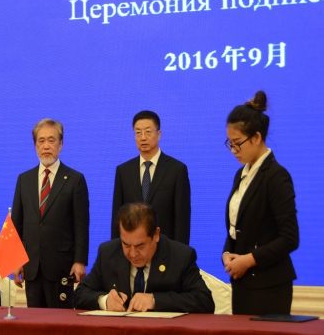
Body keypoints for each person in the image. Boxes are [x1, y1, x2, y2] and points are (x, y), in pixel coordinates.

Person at [222, 91, 299, 315]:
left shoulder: (276, 176)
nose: (233, 150)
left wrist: (249, 260)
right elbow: (237, 227)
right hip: (242, 283)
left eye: (237, 143)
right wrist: (227, 252)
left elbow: (289, 238)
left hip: (269, 286)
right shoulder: (241, 174)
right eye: (230, 144)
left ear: (256, 137)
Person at [74, 203, 214, 313]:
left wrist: (155, 300)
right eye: (126, 244)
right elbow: (80, 293)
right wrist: (104, 300)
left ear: (156, 235)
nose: (133, 254)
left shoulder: (181, 256)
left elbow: (204, 301)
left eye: (140, 246)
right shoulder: (107, 253)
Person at [11, 118, 89, 308]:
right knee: (34, 320)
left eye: (51, 140)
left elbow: (81, 225)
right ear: (35, 146)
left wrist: (80, 261)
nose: (46, 146)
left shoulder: (75, 179)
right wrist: (15, 260)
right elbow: (16, 224)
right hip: (32, 266)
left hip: (62, 267)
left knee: (60, 320)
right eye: (41, 141)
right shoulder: (24, 180)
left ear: (61, 144)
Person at [111, 110, 190, 244]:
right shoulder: (123, 171)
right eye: (138, 133)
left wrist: (180, 252)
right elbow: (117, 217)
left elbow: (182, 219)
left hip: (165, 247)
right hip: (132, 248)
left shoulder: (177, 170)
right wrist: (116, 250)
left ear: (158, 134)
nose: (143, 137)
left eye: (148, 132)